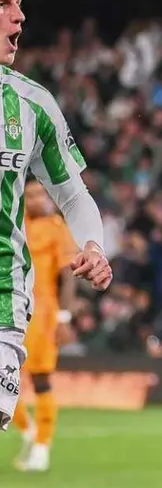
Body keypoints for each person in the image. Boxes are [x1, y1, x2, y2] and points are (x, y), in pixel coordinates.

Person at [0, 0, 112, 434]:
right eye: (4, 3)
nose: (20, 16)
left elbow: (73, 194)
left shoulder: (30, 104)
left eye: (19, 3)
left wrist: (93, 244)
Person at [9, 179, 76, 471]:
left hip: (43, 313)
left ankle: (41, 448)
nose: (37, 200)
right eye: (31, 195)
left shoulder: (55, 227)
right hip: (9, 309)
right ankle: (28, 429)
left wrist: (64, 317)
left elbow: (68, 275)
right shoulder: (12, 222)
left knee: (40, 379)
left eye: (41, 194)